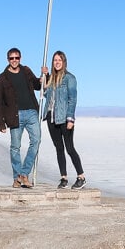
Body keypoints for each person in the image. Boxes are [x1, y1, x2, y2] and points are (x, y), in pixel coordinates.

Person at [0, 47, 43, 188]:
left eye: (17, 58)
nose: (14, 60)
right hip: (15, 116)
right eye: (12, 58)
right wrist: (0, 123)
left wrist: (43, 76)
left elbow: (37, 85)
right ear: (7, 59)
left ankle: (24, 174)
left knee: (36, 141)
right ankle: (17, 177)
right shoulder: (1, 79)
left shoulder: (26, 71)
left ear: (20, 58)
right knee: (15, 147)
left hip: (32, 112)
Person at [42, 50, 86, 189]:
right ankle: (64, 178)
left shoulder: (69, 78)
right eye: (55, 60)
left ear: (64, 62)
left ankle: (81, 177)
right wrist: (44, 76)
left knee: (69, 148)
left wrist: (70, 119)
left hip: (64, 118)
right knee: (59, 148)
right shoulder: (51, 79)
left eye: (59, 60)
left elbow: (72, 99)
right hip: (51, 117)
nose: (57, 62)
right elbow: (44, 93)